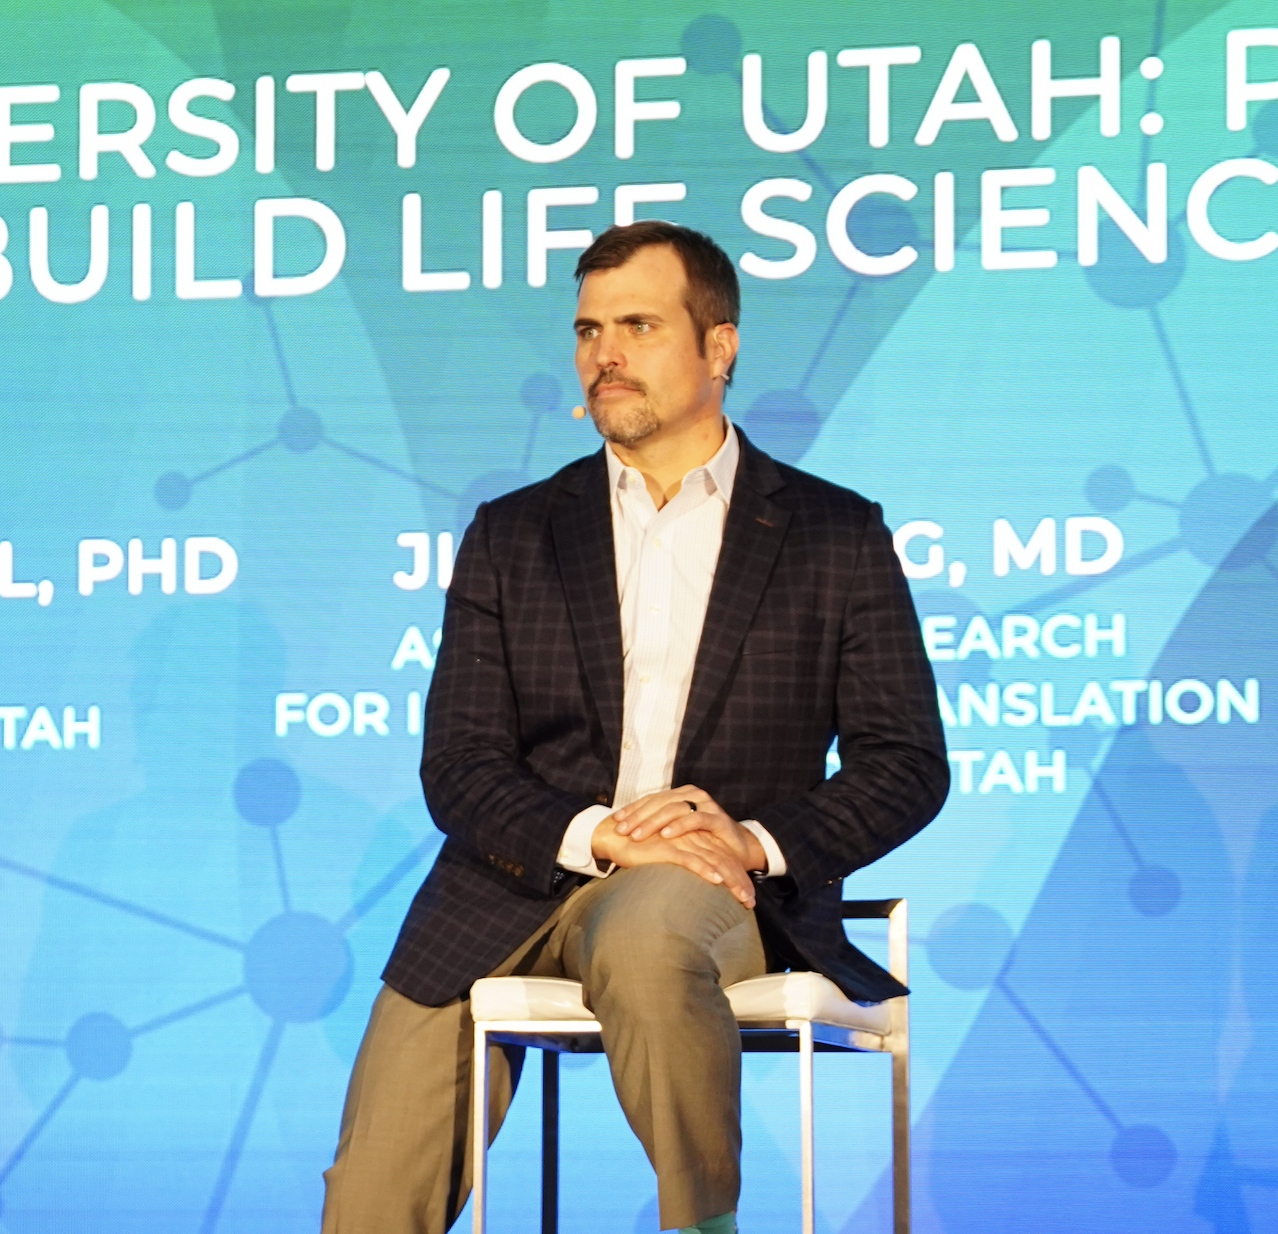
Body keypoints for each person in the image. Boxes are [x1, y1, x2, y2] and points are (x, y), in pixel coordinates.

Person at [321, 221, 948, 1234]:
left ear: (719, 346)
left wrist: (749, 841)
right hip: (508, 890)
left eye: (639, 326)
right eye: (589, 330)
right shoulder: (513, 532)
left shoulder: (834, 534)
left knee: (649, 933)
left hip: (709, 893)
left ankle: (700, 1225)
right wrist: (603, 834)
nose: (604, 354)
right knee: (369, 1200)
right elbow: (461, 764)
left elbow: (906, 763)